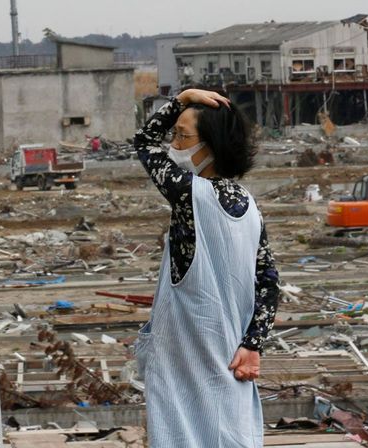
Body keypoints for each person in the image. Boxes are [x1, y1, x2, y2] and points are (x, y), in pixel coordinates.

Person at [133, 89, 280, 447]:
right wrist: (253, 344)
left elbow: (144, 141)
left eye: (182, 136)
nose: (174, 143)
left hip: (186, 359)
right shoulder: (248, 205)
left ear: (210, 145)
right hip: (230, 359)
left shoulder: (189, 193)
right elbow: (269, 282)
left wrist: (180, 100)